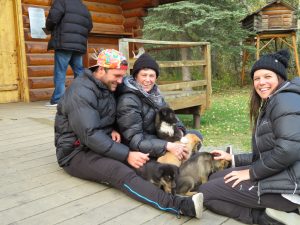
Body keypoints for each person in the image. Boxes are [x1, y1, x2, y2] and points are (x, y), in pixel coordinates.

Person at [54, 49, 203, 219]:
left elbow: (104, 117)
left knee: (143, 162)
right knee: (120, 171)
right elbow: (90, 134)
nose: (121, 80)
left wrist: (112, 129)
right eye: (117, 75)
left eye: (122, 76)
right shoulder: (80, 92)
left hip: (100, 141)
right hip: (76, 152)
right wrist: (126, 155)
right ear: (101, 69)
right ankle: (179, 206)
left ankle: (185, 182)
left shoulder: (107, 84)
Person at [197, 49, 300, 225]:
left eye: (267, 76)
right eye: (257, 78)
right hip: (281, 175)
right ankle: (271, 211)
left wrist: (251, 173)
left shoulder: (284, 100)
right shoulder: (274, 101)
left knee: (205, 192)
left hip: (290, 188)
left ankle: (269, 218)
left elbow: (289, 149)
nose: (261, 82)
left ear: (280, 78)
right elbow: (266, 153)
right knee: (215, 178)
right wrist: (233, 158)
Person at [116, 53, 203, 161]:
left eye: (151, 76)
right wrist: (167, 145)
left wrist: (179, 131)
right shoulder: (128, 100)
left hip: (159, 137)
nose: (148, 80)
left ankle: (182, 158)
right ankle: (181, 161)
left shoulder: (155, 95)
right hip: (141, 145)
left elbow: (172, 118)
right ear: (135, 76)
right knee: (183, 148)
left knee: (195, 135)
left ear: (156, 77)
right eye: (144, 75)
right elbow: (135, 140)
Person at [45, 0, 93, 106]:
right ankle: (81, 97)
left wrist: (48, 28)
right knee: (79, 71)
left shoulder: (61, 2)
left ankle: (58, 100)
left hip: (64, 43)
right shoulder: (83, 7)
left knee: (60, 71)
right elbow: (89, 26)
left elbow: (53, 18)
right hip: (78, 45)